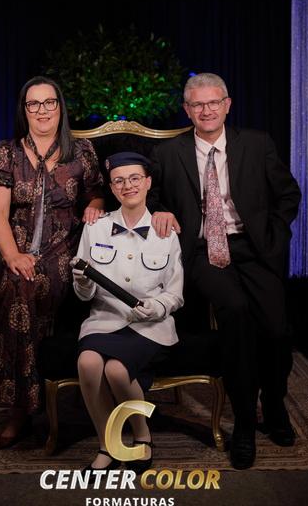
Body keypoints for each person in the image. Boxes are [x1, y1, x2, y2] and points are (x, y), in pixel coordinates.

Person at [148, 72, 301, 469]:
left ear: (227, 105)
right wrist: (160, 210)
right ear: (187, 110)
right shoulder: (169, 152)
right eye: (198, 104)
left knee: (276, 329)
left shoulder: (257, 143)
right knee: (235, 312)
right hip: (202, 251)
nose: (206, 110)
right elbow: (151, 195)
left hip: (254, 247)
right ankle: (245, 422)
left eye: (213, 102)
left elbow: (288, 194)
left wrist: (274, 236)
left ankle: (275, 403)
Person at [0, 75, 104, 449]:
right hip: (15, 246)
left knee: (25, 285)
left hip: (63, 249)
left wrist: (95, 207)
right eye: (33, 104)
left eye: (49, 102)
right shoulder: (6, 153)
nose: (42, 110)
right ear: (24, 110)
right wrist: (13, 255)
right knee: (18, 280)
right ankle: (24, 405)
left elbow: (97, 192)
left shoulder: (81, 151)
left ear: (60, 107)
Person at [71, 152, 184, 475]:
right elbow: (83, 295)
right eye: (119, 180)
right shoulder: (96, 228)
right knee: (88, 362)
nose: (128, 185)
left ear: (147, 183)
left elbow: (175, 293)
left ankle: (141, 435)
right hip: (104, 320)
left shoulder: (166, 230)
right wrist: (82, 281)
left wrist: (157, 306)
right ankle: (107, 444)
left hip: (150, 326)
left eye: (135, 178)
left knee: (118, 371)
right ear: (111, 188)